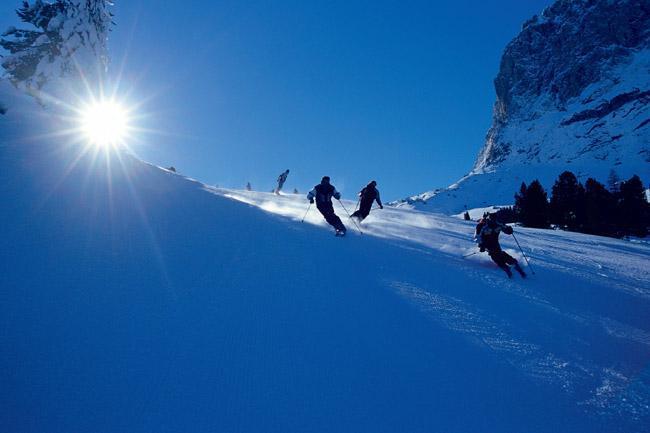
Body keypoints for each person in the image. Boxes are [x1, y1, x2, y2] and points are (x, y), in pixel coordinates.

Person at [476, 213, 526, 278]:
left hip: (494, 241)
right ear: (488, 219)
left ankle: (512, 262)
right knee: (493, 253)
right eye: (491, 220)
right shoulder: (482, 225)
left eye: (494, 220)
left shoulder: (498, 224)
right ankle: (504, 266)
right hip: (485, 242)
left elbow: (505, 228)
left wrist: (509, 230)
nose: (493, 221)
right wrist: (481, 245)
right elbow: (477, 236)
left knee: (499, 252)